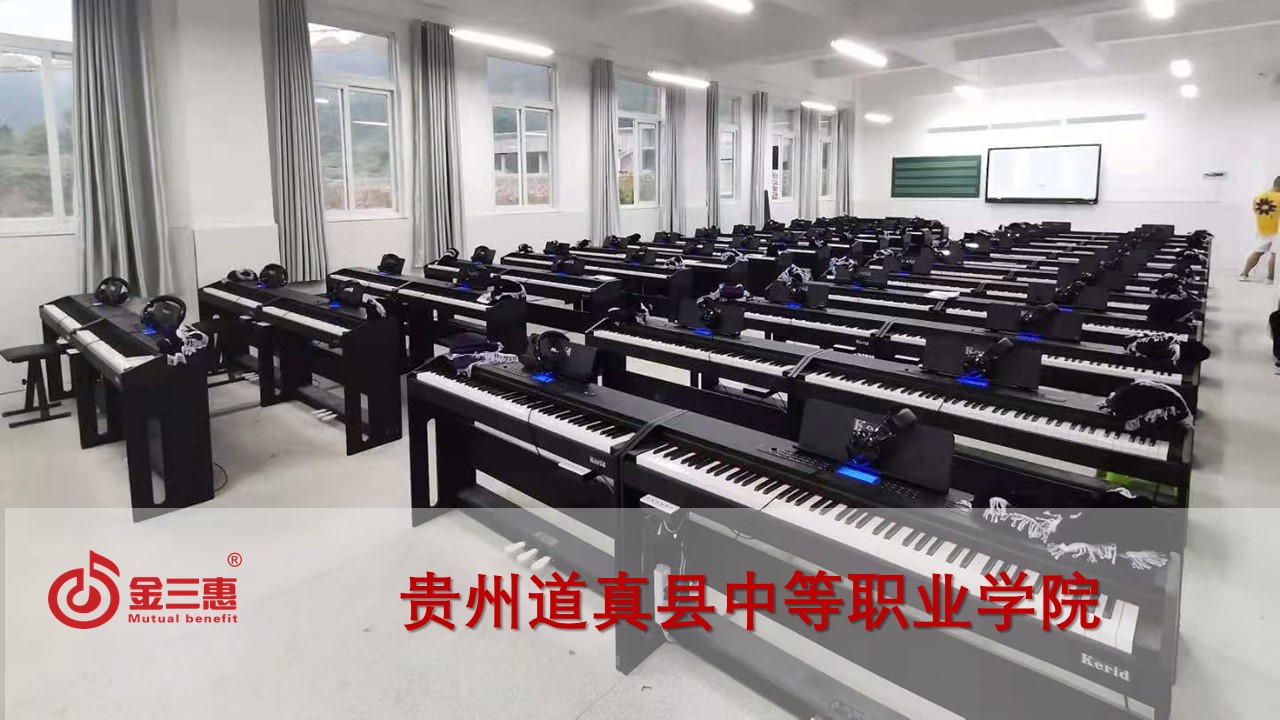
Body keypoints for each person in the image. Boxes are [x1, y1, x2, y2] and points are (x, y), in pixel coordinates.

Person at [1240, 176, 1280, 282]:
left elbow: (1255, 210)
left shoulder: (1258, 197)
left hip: (1262, 229)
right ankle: (1270, 278)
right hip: (1277, 230)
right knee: (1275, 254)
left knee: (1257, 252)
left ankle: (1244, 274)